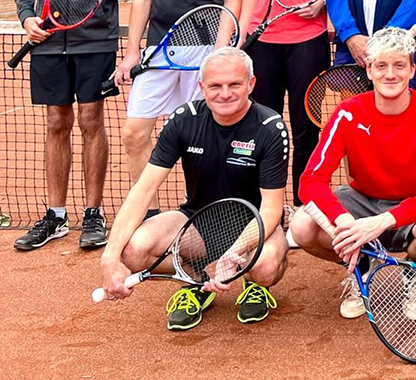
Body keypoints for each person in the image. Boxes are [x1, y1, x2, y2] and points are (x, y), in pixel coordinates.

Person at [98, 48, 290, 330]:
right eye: (215, 85)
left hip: (254, 224)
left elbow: (271, 207)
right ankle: (194, 280)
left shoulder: (269, 127)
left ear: (251, 84)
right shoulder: (183, 120)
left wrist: (234, 253)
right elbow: (143, 189)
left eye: (234, 84)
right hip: (197, 221)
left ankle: (255, 285)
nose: (224, 93)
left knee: (265, 267)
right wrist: (109, 258)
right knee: (133, 251)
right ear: (202, 87)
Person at [11, 0, 136, 251]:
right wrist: (28, 17)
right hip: (48, 38)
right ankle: (56, 216)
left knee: (91, 122)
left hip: (95, 38)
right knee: (55, 123)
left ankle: (94, 213)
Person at [290, 27, 416, 319]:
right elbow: (311, 181)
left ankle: (413, 274)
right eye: (381, 66)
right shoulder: (347, 113)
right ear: (368, 70)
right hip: (361, 200)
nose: (390, 74)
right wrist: (344, 222)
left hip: (414, 208)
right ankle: (362, 264)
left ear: (412, 69)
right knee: (302, 226)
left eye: (399, 65)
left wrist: (381, 222)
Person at [116, 0, 248, 212]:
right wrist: (132, 52)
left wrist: (220, 50)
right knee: (133, 133)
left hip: (206, 51)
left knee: (205, 137)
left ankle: (203, 209)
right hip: (160, 49)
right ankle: (149, 213)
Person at [237, 0, 339, 202]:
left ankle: (304, 204)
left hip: (308, 44)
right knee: (263, 125)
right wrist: (243, 31)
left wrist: (322, 3)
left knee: (306, 126)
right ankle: (264, 203)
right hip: (263, 44)